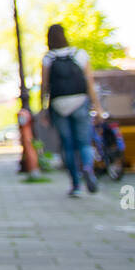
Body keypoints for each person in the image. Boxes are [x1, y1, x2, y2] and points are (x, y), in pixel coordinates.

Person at [40, 23, 102, 197]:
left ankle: (75, 184)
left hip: (59, 104)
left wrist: (44, 109)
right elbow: (90, 82)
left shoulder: (48, 58)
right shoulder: (79, 54)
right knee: (84, 141)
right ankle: (88, 168)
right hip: (80, 100)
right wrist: (97, 106)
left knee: (67, 145)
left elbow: (45, 86)